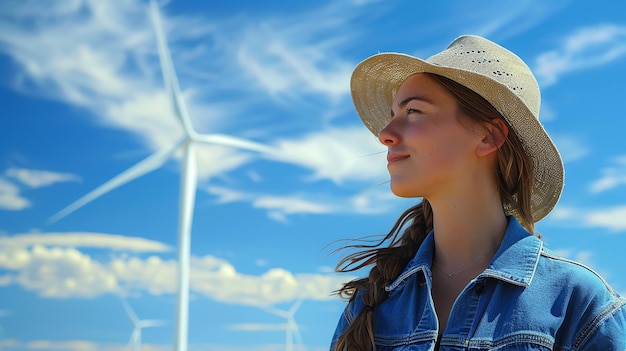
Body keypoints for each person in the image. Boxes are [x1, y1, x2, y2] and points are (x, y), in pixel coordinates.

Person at [330, 35, 626, 351]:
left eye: (413, 111)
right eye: (392, 116)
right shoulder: (369, 304)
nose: (385, 135)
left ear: (488, 135)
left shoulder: (577, 301)